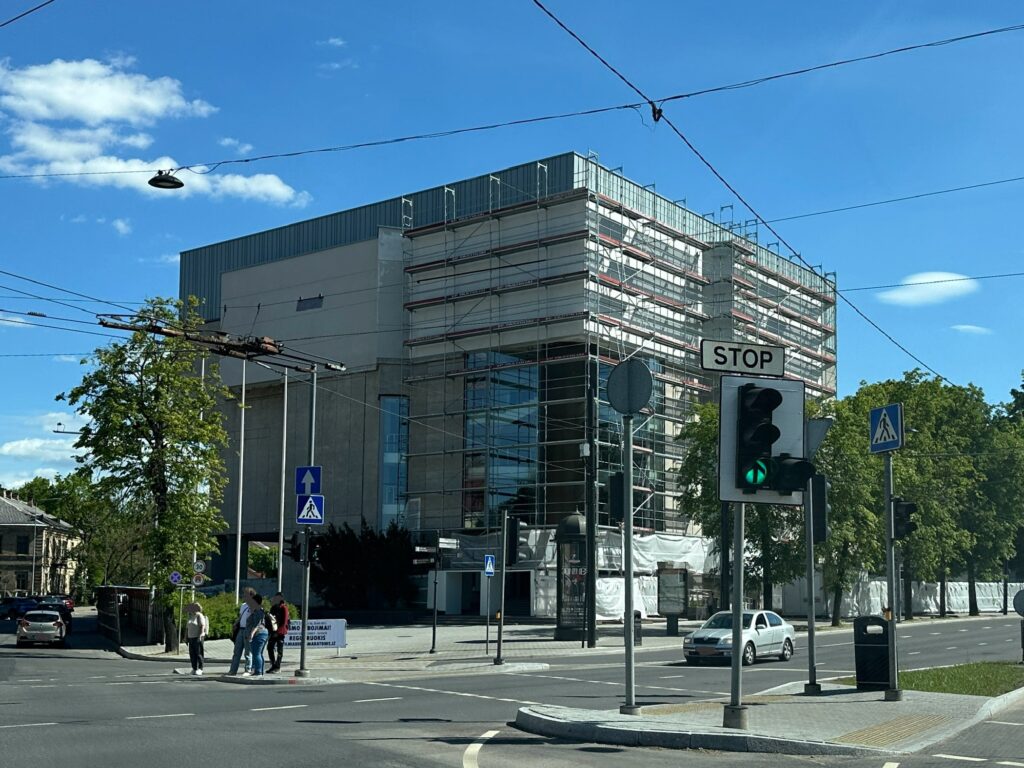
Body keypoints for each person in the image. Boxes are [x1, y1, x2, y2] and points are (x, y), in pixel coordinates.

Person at [227, 587, 255, 676]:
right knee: (237, 651)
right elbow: (240, 617)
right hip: (241, 629)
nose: (244, 596)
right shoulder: (243, 605)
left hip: (248, 629)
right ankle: (233, 670)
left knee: (248, 651)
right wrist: (235, 623)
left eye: (246, 594)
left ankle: (248, 669)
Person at [244, 592, 269, 678]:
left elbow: (257, 624)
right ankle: (258, 671)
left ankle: (259, 671)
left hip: (259, 634)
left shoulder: (259, 612)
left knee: (257, 653)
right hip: (259, 634)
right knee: (257, 653)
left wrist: (251, 633)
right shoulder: (256, 611)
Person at [267, 592, 290, 673]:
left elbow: (284, 621)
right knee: (270, 647)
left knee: (279, 650)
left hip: (280, 632)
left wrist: (278, 632)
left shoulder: (284, 608)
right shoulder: (273, 607)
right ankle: (273, 665)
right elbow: (271, 619)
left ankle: (278, 666)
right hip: (273, 632)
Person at [185, 602, 208, 676]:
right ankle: (194, 668)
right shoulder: (190, 616)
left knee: (199, 653)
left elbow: (202, 626)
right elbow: (187, 628)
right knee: (192, 654)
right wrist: (186, 637)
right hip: (191, 637)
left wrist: (200, 636)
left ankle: (200, 668)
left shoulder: (199, 615)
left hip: (197, 637)